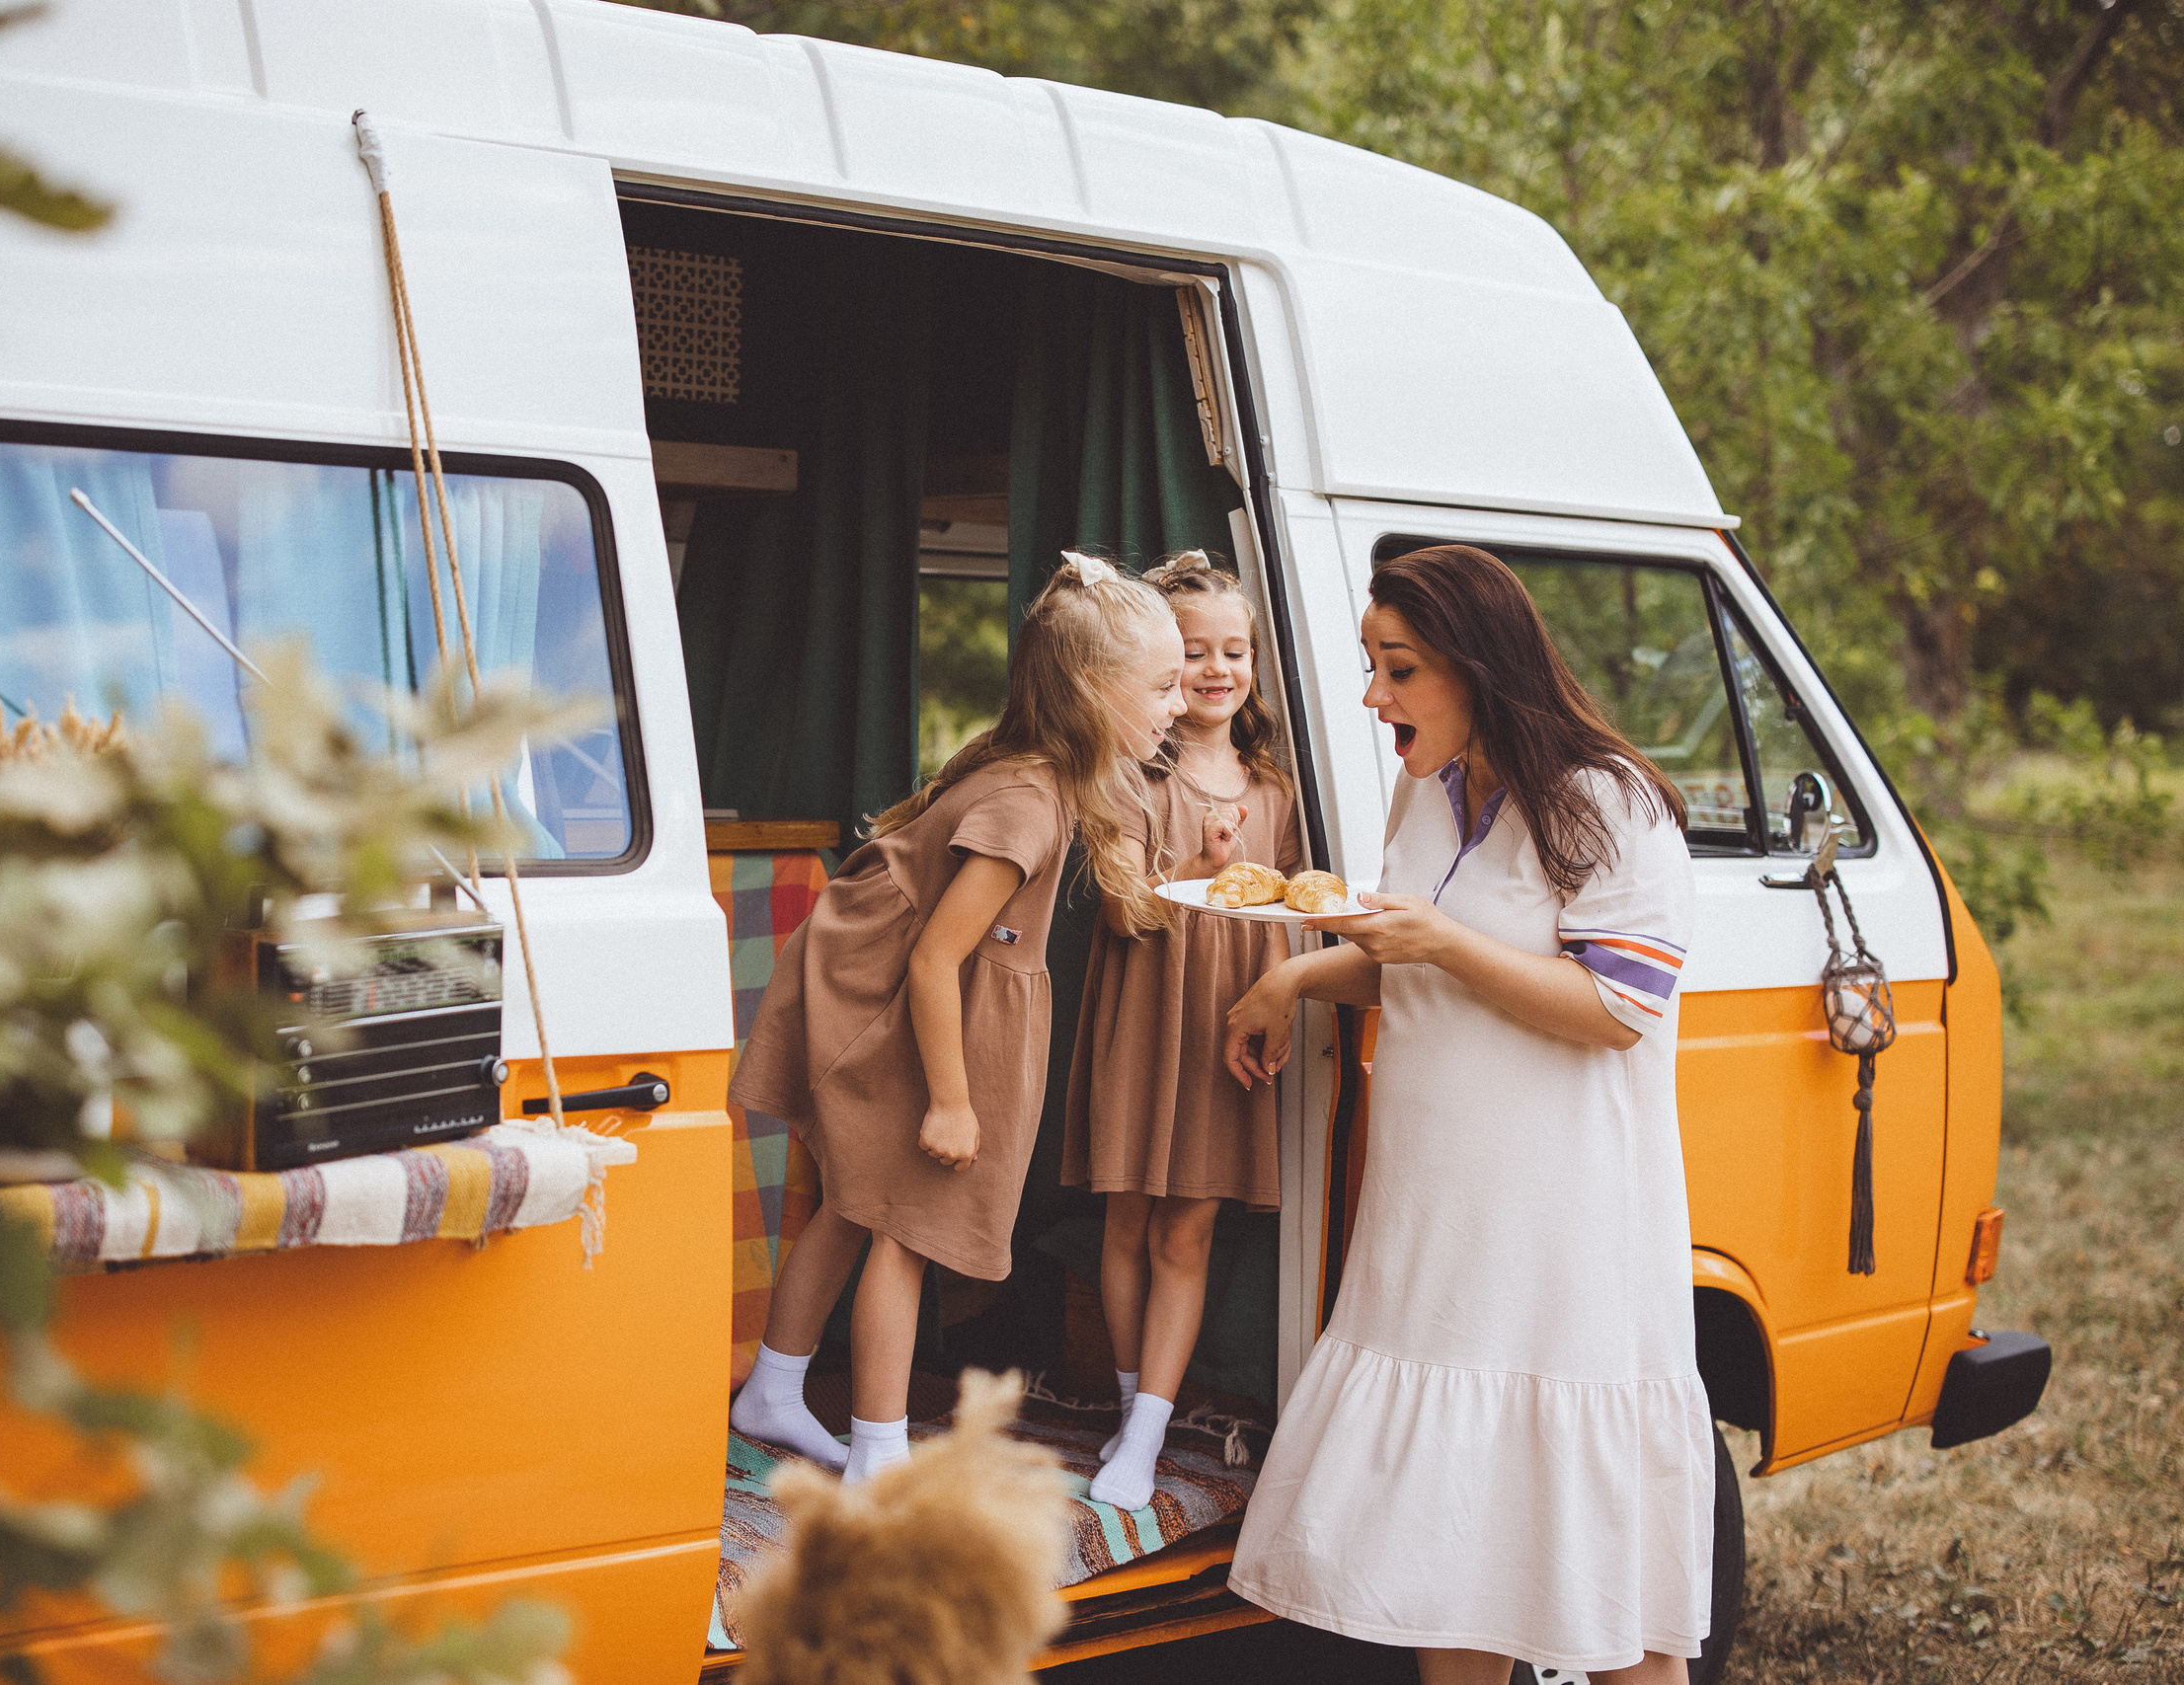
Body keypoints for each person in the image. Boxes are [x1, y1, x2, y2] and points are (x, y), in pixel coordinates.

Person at [1223, 544, 1712, 1683]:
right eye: (1370, 665)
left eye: (1395, 669)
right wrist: (1296, 976)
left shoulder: (1609, 801)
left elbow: (1615, 1007)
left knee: (1605, 1565)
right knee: (1459, 1547)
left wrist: (1437, 940)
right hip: (1441, 1219)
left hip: (1563, 1228)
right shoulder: (1425, 791)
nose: (1371, 696)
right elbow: (1415, 965)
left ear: (1478, 667)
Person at [726, 553, 1189, 1484]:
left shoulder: (1053, 778)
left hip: (913, 990)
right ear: (1094, 690)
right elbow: (938, 957)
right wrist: (951, 1099)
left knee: (858, 1204)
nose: (1181, 702)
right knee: (904, 1223)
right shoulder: (1027, 801)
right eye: (1166, 684)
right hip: (891, 996)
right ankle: (880, 1458)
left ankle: (775, 1389)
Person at [1063, 554, 1301, 1510]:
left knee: (1188, 1230)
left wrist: (1282, 997)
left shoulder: (1279, 791)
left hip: (1226, 1026)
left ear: (1254, 667)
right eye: (1192, 652)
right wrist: (1195, 864)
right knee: (1125, 1220)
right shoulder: (1125, 778)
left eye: (1233, 651)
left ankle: (1149, 1433)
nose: (1215, 669)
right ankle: (1132, 1408)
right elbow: (1124, 920)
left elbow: (1294, 912)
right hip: (1145, 1010)